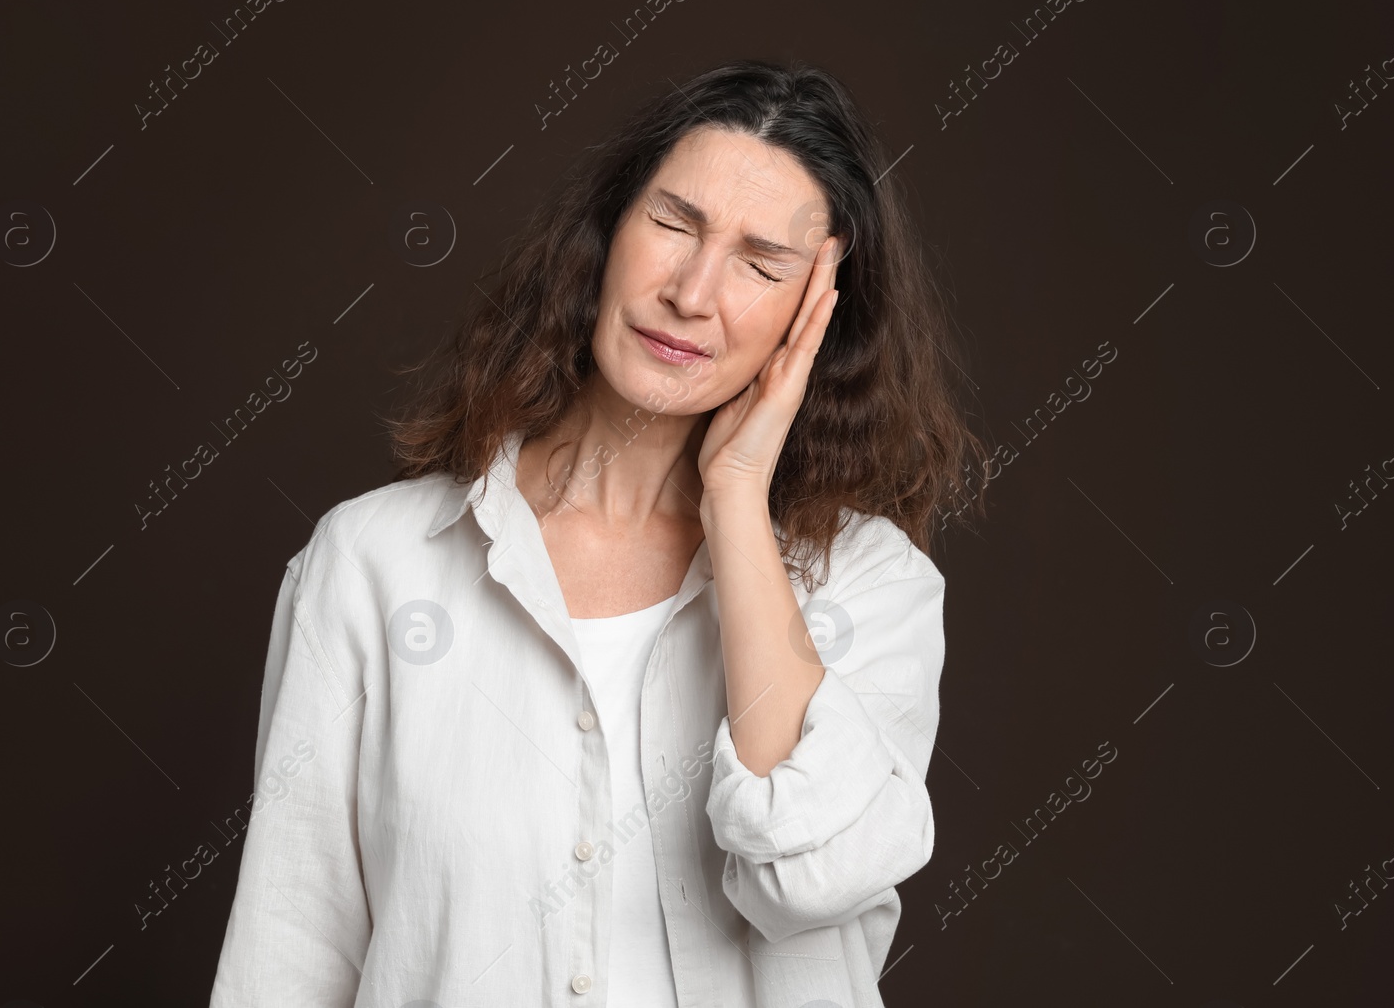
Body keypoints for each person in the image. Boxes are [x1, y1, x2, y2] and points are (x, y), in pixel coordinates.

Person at [209, 59, 985, 1007]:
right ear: (607, 232)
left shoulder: (869, 585)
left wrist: (735, 498)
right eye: (673, 222)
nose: (693, 293)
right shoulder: (372, 563)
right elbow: (288, 952)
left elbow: (809, 874)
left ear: (817, 318)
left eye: (760, 263)